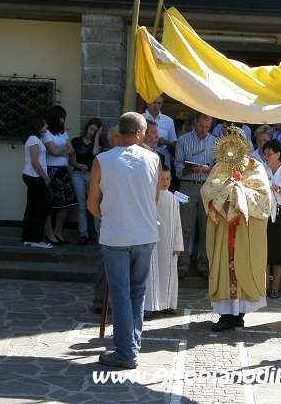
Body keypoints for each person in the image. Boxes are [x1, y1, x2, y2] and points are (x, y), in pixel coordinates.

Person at [87, 112, 160, 369]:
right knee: (137, 292)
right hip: (145, 234)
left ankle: (126, 352)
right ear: (140, 133)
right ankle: (132, 345)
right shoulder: (154, 159)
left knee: (120, 293)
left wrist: (111, 218)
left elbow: (91, 204)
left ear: (121, 132)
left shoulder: (102, 160)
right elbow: (154, 200)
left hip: (116, 235)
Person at [201, 127, 271, 331]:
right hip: (224, 225)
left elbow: (263, 197)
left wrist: (239, 190)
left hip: (244, 227)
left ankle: (240, 313)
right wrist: (225, 190)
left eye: (238, 143)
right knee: (224, 264)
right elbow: (207, 191)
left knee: (243, 262)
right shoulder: (220, 167)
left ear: (244, 145)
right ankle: (225, 314)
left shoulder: (255, 166)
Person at [174, 113, 217, 279]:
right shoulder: (183, 140)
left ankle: (203, 264)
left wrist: (209, 169)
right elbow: (177, 167)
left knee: (206, 227)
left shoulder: (215, 142)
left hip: (208, 186)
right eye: (201, 126)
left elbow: (220, 169)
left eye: (207, 127)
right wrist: (190, 169)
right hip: (188, 185)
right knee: (184, 226)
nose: (203, 130)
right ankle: (182, 263)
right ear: (195, 121)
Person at [144, 163, 184, 318]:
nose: (165, 182)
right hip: (153, 242)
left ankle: (169, 303)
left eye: (168, 178)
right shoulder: (150, 196)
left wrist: (177, 244)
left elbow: (178, 223)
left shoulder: (173, 199)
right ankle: (150, 304)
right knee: (152, 272)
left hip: (169, 243)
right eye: (162, 179)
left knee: (169, 272)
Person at [91, 125, 119, 315]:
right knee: (105, 256)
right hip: (106, 215)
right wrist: (105, 218)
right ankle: (100, 298)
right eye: (117, 136)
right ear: (109, 139)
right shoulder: (102, 161)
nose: (120, 139)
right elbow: (93, 197)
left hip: (128, 217)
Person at [41, 105, 76, 245]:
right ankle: (49, 233)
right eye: (61, 118)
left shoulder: (62, 132)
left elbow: (71, 148)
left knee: (67, 202)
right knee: (50, 202)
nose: (63, 121)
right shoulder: (46, 133)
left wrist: (59, 150)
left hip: (63, 171)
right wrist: (63, 150)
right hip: (51, 171)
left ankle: (58, 231)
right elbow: (53, 152)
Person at [262, 139, 281, 299]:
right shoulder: (262, 170)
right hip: (265, 213)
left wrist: (278, 189)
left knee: (280, 251)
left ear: (278, 154)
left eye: (269, 154)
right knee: (266, 250)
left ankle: (276, 286)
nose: (266, 157)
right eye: (264, 154)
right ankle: (264, 285)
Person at [69, 118, 102, 246]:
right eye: (91, 129)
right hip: (78, 174)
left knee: (95, 205)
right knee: (82, 206)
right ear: (87, 127)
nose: (92, 132)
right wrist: (78, 165)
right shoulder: (76, 141)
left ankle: (99, 236)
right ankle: (83, 234)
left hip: (92, 176)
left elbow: (95, 153)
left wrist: (98, 137)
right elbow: (70, 160)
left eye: (95, 131)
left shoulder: (98, 143)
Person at [21, 115, 52, 249]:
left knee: (32, 207)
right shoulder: (33, 139)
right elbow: (35, 162)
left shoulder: (35, 139)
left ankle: (27, 237)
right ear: (37, 125)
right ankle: (37, 239)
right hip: (34, 176)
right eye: (44, 124)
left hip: (31, 175)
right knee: (44, 207)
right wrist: (45, 177)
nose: (46, 126)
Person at [142, 95, 177, 168]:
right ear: (147, 103)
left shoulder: (168, 121)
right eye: (153, 102)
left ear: (161, 104)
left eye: (159, 103)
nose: (156, 106)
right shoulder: (140, 118)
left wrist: (166, 142)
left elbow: (174, 144)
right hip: (143, 159)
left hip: (163, 162)